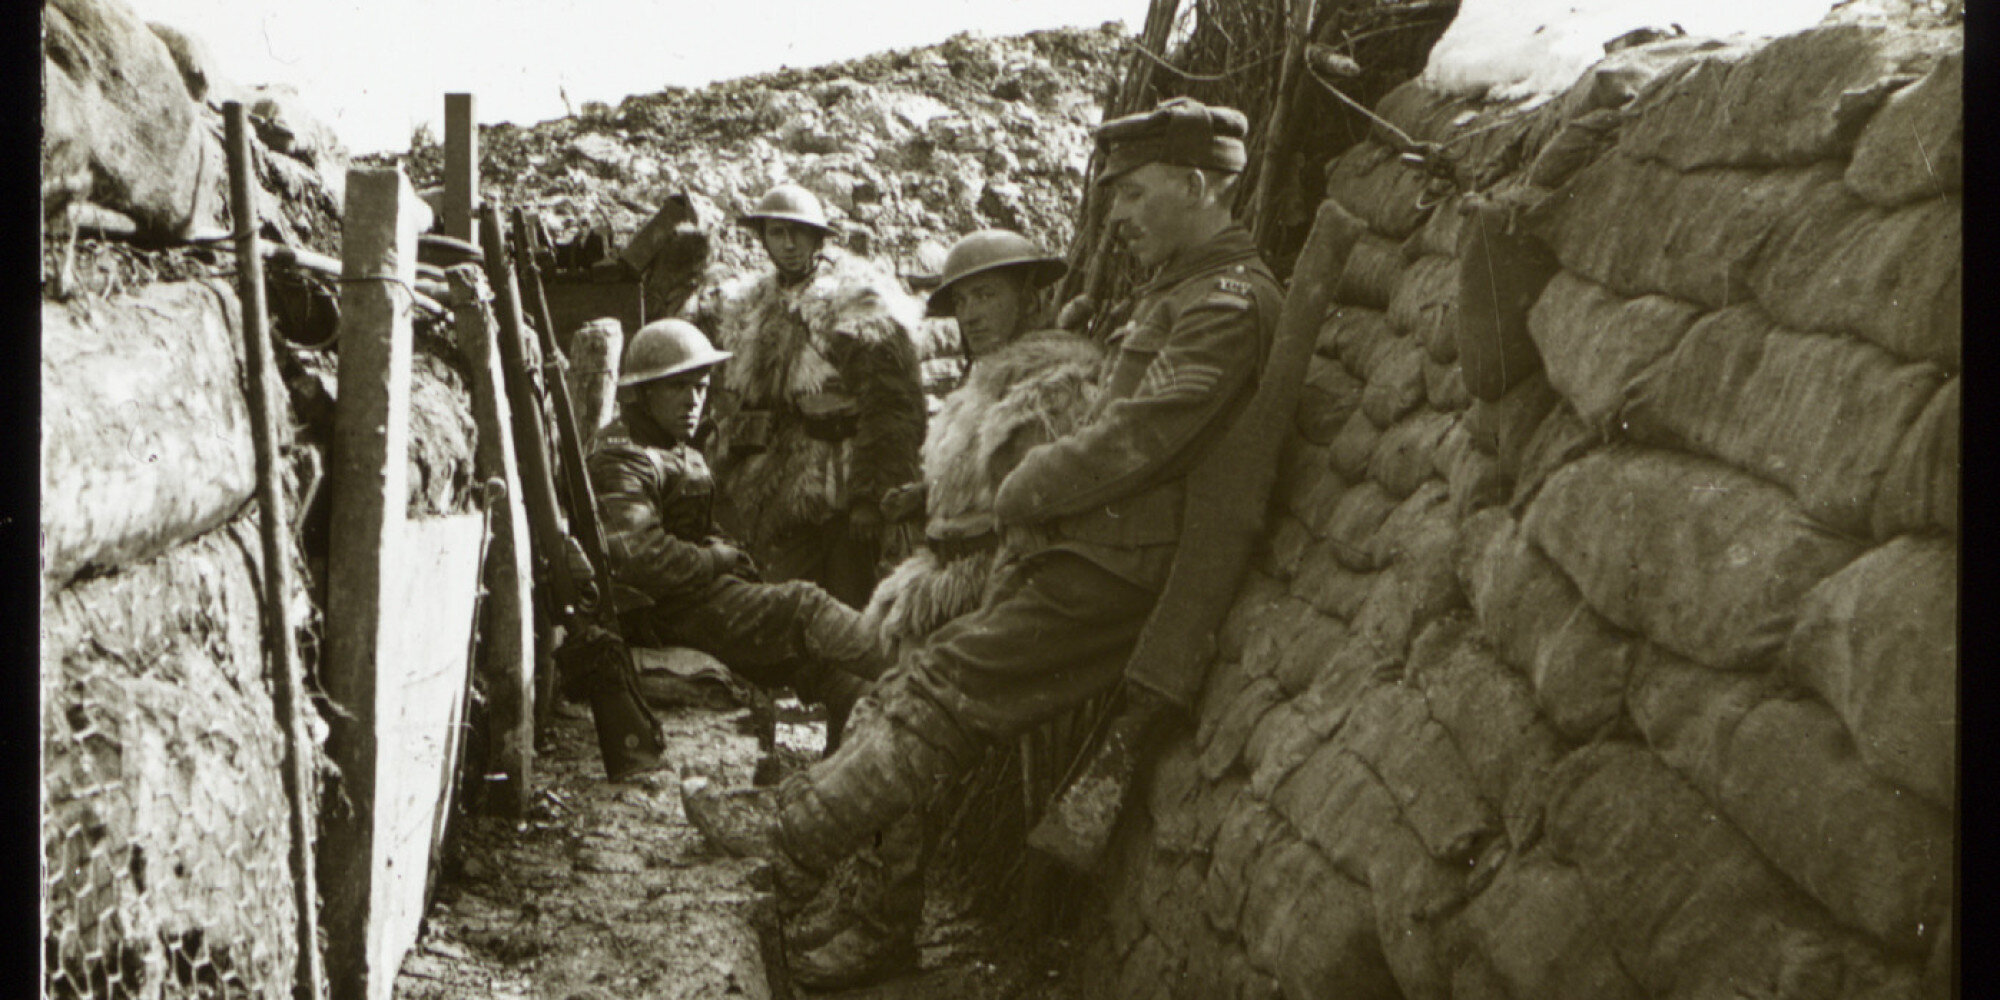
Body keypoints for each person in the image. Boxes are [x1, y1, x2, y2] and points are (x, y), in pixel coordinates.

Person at [680, 97, 1284, 981]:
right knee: (909, 681)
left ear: (1196, 185)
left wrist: (1024, 491)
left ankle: (796, 836)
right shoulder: (1182, 291)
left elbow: (1145, 431)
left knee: (933, 682)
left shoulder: (1227, 302)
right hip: (1078, 549)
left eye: (1134, 194)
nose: (1115, 218)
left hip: (1114, 564)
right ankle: (830, 860)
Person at [783, 230, 1106, 986]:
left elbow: (1040, 495)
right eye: (962, 301)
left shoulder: (1056, 382)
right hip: (944, 572)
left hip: (999, 583)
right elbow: (980, 474)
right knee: (867, 706)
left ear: (1032, 294)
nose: (973, 315)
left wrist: (970, 555)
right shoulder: (984, 379)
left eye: (989, 295)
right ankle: (869, 893)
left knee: (897, 730)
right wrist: (923, 497)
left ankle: (886, 924)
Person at [587, 318, 885, 748]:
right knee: (804, 605)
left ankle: (844, 766)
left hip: (689, 598)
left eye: (700, 386)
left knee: (826, 666)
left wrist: (725, 550)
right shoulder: (623, 457)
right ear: (644, 392)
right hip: (658, 613)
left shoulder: (675, 448)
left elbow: (698, 528)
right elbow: (637, 557)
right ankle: (910, 664)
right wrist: (717, 560)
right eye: (678, 387)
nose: (693, 400)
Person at [685, 184, 929, 610]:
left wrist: (869, 498)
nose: (790, 244)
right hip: (777, 491)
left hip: (842, 489)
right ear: (764, 238)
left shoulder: (853, 299)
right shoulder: (752, 305)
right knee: (779, 602)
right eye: (778, 233)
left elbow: (892, 401)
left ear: (819, 239)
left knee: (850, 601)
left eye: (800, 233)